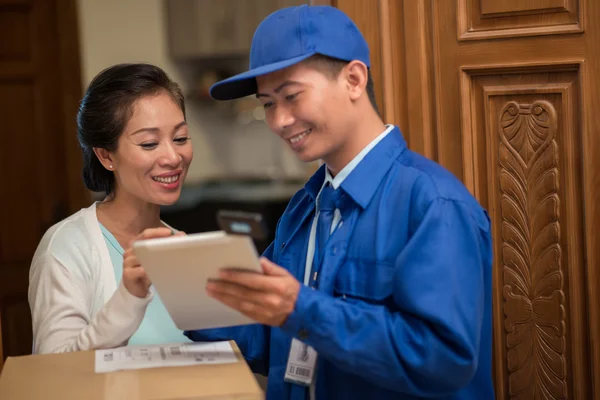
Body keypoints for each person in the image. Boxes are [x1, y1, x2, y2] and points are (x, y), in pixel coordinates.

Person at [186, 4, 495, 399]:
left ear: (353, 79)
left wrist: (304, 310)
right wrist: (184, 286)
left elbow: (443, 360)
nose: (279, 120)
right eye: (267, 103)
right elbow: (273, 335)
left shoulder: (433, 204)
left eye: (291, 96)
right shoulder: (305, 206)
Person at [28, 63, 193, 354]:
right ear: (106, 156)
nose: (173, 156)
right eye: (149, 143)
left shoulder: (182, 245)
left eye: (180, 138)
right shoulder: (67, 247)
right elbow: (53, 371)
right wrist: (129, 296)